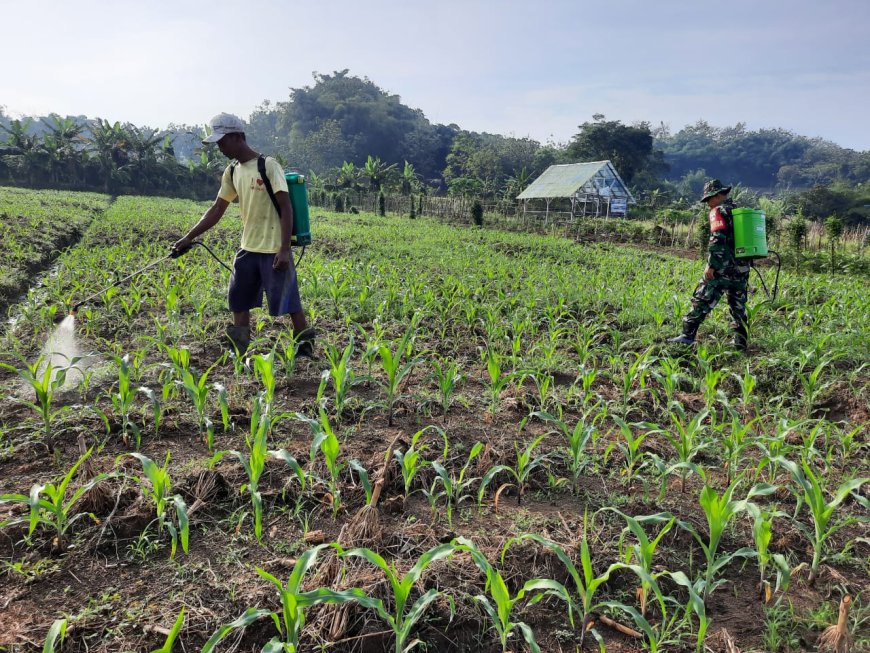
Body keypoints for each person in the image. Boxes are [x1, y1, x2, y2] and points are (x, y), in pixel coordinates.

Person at [173, 113, 313, 356]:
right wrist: (188, 237)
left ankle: (305, 350)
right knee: (238, 300)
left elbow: (286, 206)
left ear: (237, 137)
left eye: (222, 141)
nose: (220, 147)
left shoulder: (268, 165)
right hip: (247, 249)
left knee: (290, 303)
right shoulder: (232, 171)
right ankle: (239, 351)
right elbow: (217, 208)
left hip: (273, 250)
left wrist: (284, 249)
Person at [668, 179, 750, 351]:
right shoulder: (739, 211)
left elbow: (717, 239)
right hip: (741, 267)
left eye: (709, 199)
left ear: (718, 195)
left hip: (723, 266)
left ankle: (687, 335)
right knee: (738, 305)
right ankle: (740, 343)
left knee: (703, 297)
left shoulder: (719, 211)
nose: (708, 204)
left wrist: (711, 265)